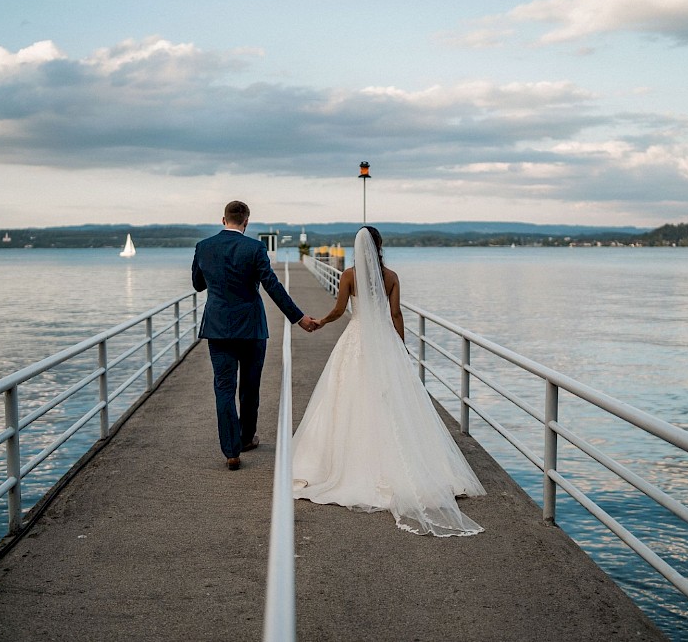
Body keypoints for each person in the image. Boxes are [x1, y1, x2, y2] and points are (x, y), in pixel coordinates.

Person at [292, 226, 485, 536]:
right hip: (384, 340)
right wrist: (400, 348)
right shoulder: (392, 276)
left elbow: (341, 309)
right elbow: (396, 315)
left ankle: (351, 462)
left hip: (357, 339)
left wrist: (321, 322)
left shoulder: (349, 276)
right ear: (379, 246)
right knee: (390, 399)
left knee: (348, 397)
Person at [192, 200, 321, 471]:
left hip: (218, 329)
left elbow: (198, 284)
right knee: (250, 386)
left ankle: (231, 451)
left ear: (223, 219)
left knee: (223, 388)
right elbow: (271, 285)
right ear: (246, 221)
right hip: (251, 328)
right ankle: (247, 437)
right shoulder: (255, 248)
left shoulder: (204, 247)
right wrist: (298, 318)